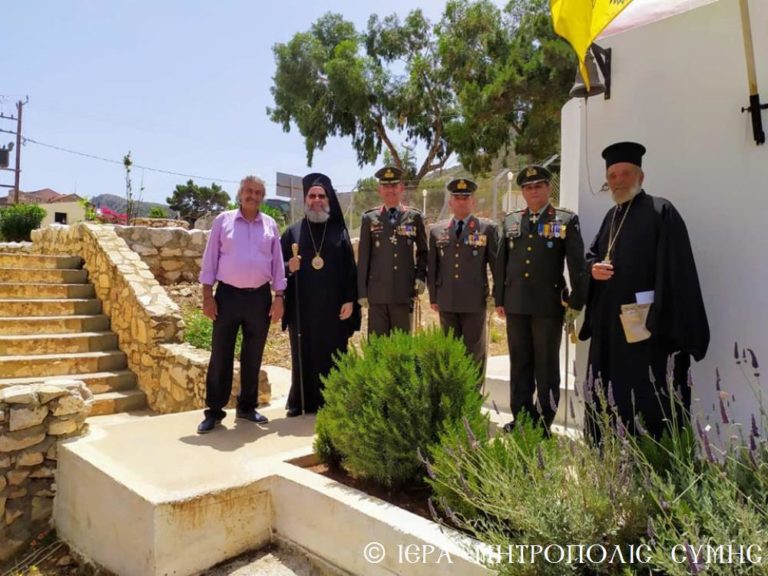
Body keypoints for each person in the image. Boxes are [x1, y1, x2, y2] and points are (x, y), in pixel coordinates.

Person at [579, 142, 709, 442]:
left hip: (650, 331)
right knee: (610, 396)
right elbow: (593, 256)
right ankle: (610, 453)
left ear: (641, 176)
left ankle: (652, 456)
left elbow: (678, 272)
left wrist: (661, 320)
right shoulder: (611, 216)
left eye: (625, 173)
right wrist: (592, 270)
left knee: (648, 397)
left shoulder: (661, 211)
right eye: (612, 176)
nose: (618, 181)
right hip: (611, 331)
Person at [494, 165, 587, 433]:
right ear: (522, 191)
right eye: (528, 187)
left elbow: (577, 264)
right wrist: (500, 297)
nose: (533, 191)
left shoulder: (565, 220)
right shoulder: (511, 221)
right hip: (516, 304)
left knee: (546, 366)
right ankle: (521, 418)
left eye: (538, 186)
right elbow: (503, 262)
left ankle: (544, 420)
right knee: (520, 363)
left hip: (548, 306)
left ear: (548, 188)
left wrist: (577, 302)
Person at [197, 175, 286, 434]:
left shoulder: (270, 225)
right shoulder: (222, 221)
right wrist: (207, 296)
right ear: (240, 193)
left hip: (259, 298)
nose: (253, 196)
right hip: (227, 296)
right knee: (220, 354)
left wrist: (279, 297)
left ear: (263, 197)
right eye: (249, 191)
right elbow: (210, 260)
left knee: (253, 355)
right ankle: (214, 411)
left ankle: (247, 407)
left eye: (258, 192)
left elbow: (277, 264)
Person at [281, 173, 361, 416]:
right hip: (302, 308)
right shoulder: (292, 233)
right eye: (312, 196)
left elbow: (350, 270)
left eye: (321, 196)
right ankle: (300, 401)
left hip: (334, 309)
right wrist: (288, 267)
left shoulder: (340, 232)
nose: (317, 200)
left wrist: (350, 299)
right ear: (305, 199)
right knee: (303, 353)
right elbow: (277, 269)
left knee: (334, 354)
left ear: (328, 199)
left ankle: (334, 400)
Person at [427, 178, 498, 377]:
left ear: (473, 201)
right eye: (457, 198)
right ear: (450, 202)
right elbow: (433, 267)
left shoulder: (486, 229)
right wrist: (433, 297)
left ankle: (472, 402)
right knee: (449, 352)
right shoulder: (436, 231)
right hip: (446, 300)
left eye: (465, 198)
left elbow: (496, 266)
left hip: (474, 302)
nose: (461, 202)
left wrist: (496, 296)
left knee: (474, 353)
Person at [357, 165, 428, 336]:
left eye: (394, 186)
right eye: (386, 186)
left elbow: (423, 251)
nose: (390, 190)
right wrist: (362, 292)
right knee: (377, 348)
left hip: (403, 292)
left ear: (401, 188)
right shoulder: (369, 219)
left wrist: (420, 277)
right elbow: (364, 257)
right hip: (377, 294)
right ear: (379, 190)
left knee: (402, 349)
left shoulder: (414, 217)